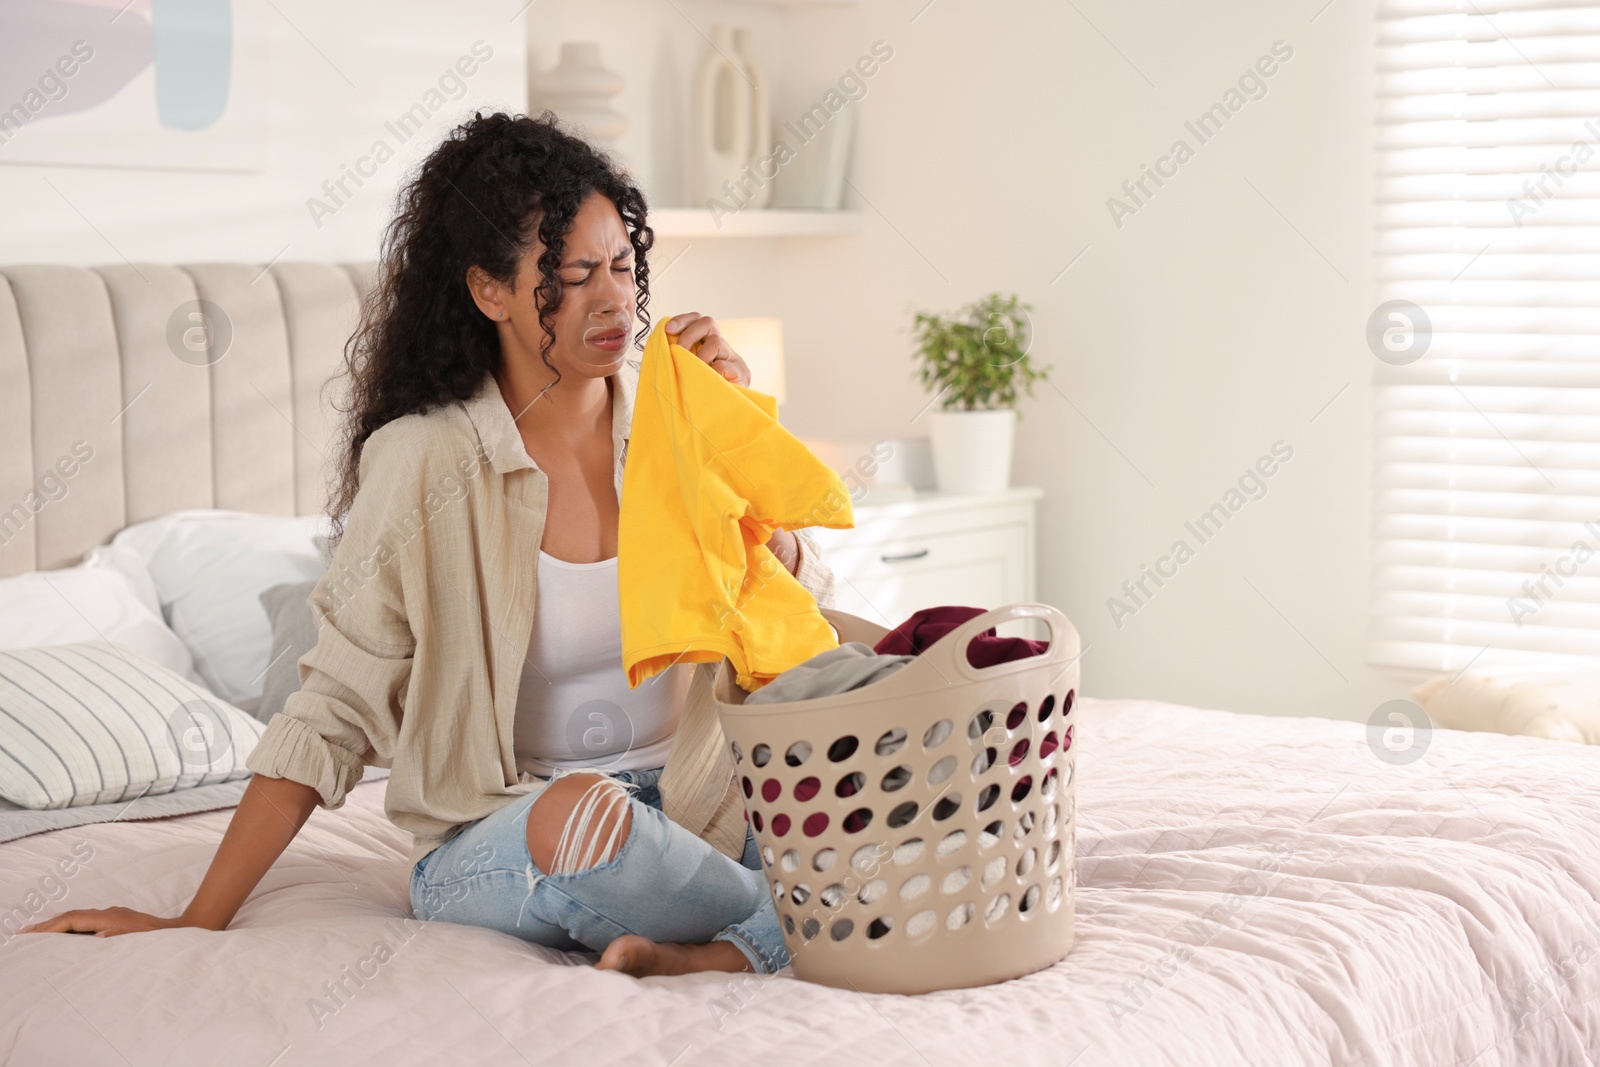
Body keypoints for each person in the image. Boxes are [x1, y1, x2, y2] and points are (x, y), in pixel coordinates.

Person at [21, 112, 836, 978]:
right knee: (580, 813)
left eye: (624, 267)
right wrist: (193, 917)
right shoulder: (423, 461)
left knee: (900, 774)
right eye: (574, 274)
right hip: (517, 832)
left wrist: (733, 432)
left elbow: (797, 610)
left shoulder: (677, 418)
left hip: (700, 805)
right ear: (490, 290)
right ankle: (801, 925)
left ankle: (712, 946)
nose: (613, 301)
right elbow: (332, 709)